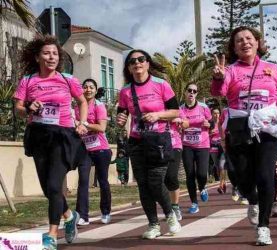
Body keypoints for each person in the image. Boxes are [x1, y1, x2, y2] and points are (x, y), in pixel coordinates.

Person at [211, 26, 277, 245]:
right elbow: (218, 93)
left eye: (249, 38)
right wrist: (218, 78)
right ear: (234, 47)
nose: (245, 43)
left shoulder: (272, 68)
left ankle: (263, 227)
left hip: (269, 129)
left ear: (257, 42)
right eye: (239, 40)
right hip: (240, 129)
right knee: (241, 177)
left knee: (265, 175)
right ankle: (252, 199)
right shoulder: (231, 70)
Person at [13, 35, 88, 249]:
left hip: (62, 136)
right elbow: (18, 109)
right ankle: (69, 215)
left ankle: (52, 234)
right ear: (37, 57)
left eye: (55, 53)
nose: (51, 57)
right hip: (38, 135)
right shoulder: (28, 80)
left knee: (55, 185)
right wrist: (28, 107)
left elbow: (82, 101)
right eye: (47, 53)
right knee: (48, 189)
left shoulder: (67, 79)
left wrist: (82, 122)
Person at [116, 49, 181, 239]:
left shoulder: (161, 85)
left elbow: (175, 111)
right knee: (143, 185)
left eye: (141, 59)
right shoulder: (125, 91)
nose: (137, 63)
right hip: (136, 141)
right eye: (132, 61)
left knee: (155, 182)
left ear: (148, 63)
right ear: (128, 68)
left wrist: (158, 115)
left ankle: (170, 216)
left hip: (159, 140)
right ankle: (153, 224)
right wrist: (120, 119)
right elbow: (122, 115)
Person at [74, 79, 113, 226]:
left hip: (101, 150)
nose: (88, 89)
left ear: (96, 91)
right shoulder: (78, 107)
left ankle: (106, 212)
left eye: (91, 87)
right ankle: (82, 215)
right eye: (85, 87)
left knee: (103, 181)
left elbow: (102, 127)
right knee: (83, 181)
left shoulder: (99, 106)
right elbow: (75, 126)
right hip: (85, 150)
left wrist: (85, 125)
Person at [179, 83, 212, 214]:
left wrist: (209, 124)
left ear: (197, 94)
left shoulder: (203, 107)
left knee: (202, 174)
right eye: (189, 90)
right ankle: (194, 203)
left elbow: (212, 122)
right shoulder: (180, 109)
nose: (192, 93)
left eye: (194, 91)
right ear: (185, 92)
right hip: (187, 145)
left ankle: (203, 187)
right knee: (190, 175)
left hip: (203, 145)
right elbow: (178, 124)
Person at [164, 117, 183, 220]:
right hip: (159, 146)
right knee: (164, 179)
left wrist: (180, 121)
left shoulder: (177, 109)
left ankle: (175, 206)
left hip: (175, 146)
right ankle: (168, 207)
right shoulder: (154, 107)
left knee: (171, 176)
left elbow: (186, 123)